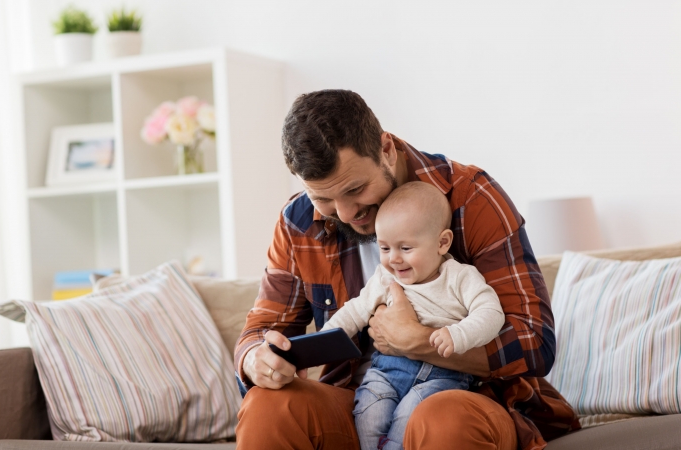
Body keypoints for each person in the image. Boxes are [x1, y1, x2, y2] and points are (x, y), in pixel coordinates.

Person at [234, 89, 579, 450]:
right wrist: (256, 359)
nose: (346, 213)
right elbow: (260, 330)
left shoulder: (471, 198)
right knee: (267, 406)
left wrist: (419, 342)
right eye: (323, 198)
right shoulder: (298, 222)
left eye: (356, 189)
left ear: (386, 149)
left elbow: (535, 341)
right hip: (357, 401)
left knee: (441, 418)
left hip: (465, 396)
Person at [320, 181, 505, 450]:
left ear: (442, 243)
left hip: (444, 376)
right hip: (387, 371)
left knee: (411, 417)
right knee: (369, 415)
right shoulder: (385, 276)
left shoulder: (460, 277)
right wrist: (324, 339)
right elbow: (355, 310)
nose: (394, 259)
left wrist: (458, 334)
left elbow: (491, 313)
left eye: (405, 248)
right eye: (384, 249)